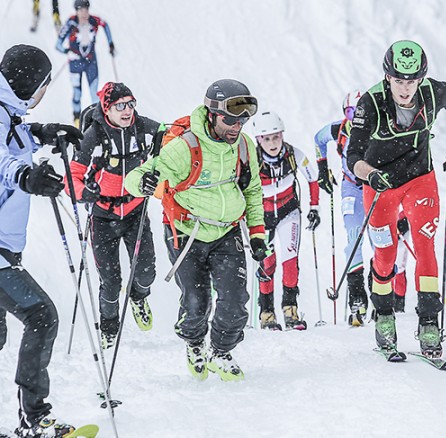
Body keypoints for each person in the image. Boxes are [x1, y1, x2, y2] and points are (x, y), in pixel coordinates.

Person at [124, 79, 266, 382]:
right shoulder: (185, 147)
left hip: (227, 232)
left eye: (243, 118)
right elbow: (135, 177)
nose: (237, 125)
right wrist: (143, 183)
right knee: (196, 302)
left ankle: (221, 351)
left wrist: (257, 234)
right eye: (230, 118)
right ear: (212, 114)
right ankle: (194, 343)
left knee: (236, 299)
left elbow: (253, 189)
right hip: (186, 232)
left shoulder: (243, 145)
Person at [347, 40, 446, 358]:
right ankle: (384, 315)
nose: (405, 88)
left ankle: (429, 321)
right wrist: (368, 174)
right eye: (399, 80)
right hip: (381, 184)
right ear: (388, 77)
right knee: (385, 256)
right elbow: (352, 156)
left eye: (411, 80)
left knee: (424, 248)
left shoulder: (432, 92)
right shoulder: (370, 103)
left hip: (420, 180)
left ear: (421, 78)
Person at [0, 44, 83, 438]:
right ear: (28, 83)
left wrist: (43, 133)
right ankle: (35, 421)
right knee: (41, 316)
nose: (41, 94)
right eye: (42, 86)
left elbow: (13, 138)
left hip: (5, 248)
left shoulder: (8, 113)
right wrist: (25, 177)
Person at [66, 82, 162, 349]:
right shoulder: (93, 136)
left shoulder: (142, 128)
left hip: (135, 211)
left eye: (131, 104)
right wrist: (85, 192)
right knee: (110, 282)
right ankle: (109, 327)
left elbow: (172, 136)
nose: (127, 110)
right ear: (107, 108)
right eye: (120, 105)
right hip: (103, 216)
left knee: (145, 272)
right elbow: (71, 177)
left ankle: (138, 297)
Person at [316, 91, 413, 323]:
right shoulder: (338, 130)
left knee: (381, 242)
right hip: (352, 189)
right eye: (350, 112)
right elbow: (318, 139)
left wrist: (403, 209)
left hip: (378, 190)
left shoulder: (382, 128)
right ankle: (357, 298)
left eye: (360, 112)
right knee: (353, 238)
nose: (356, 117)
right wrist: (322, 167)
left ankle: (382, 298)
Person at [251, 111, 321, 331]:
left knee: (290, 263)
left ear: (282, 135)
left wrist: (314, 208)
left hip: (288, 213)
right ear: (258, 140)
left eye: (276, 136)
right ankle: (266, 313)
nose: (272, 143)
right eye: (267, 138)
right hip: (262, 218)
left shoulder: (293, 154)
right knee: (267, 264)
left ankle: (290, 309)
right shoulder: (251, 160)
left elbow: (313, 177)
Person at [56, 0, 115, 126]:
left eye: (86, 10)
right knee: (77, 92)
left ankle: (96, 119)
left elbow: (106, 25)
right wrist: (67, 51)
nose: (84, 13)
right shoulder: (71, 22)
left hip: (91, 62)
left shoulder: (94, 21)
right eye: (81, 10)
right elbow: (58, 45)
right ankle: (77, 119)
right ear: (76, 11)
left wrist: (110, 43)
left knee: (94, 92)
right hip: (75, 63)